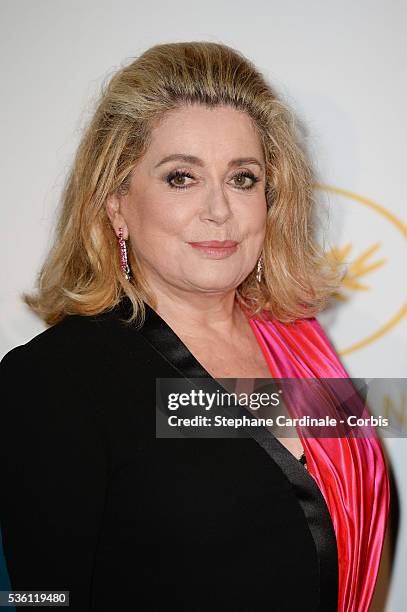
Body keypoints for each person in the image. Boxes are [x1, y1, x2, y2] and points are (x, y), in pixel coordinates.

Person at [0, 41, 389, 612]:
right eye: (181, 177)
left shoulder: (298, 344)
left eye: (243, 178)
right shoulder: (55, 379)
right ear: (116, 205)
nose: (219, 209)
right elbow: (37, 598)